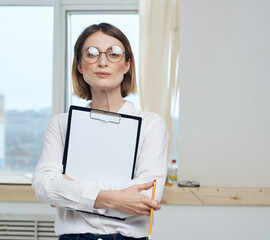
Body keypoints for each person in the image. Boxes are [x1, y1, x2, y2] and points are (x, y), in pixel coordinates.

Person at [32, 23, 168, 240]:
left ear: (126, 65)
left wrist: (71, 193)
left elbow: (145, 198)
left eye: (113, 54)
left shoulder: (151, 125)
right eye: (91, 54)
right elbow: (44, 186)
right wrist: (116, 199)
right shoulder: (61, 124)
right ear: (79, 65)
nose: (102, 61)